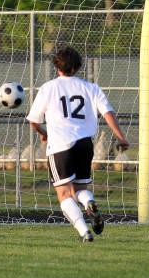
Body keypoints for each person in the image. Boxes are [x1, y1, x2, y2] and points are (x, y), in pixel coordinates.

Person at [27, 46, 129, 242]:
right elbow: (107, 112)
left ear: (57, 66)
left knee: (64, 194)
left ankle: (84, 231)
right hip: (85, 144)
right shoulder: (91, 88)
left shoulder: (49, 88)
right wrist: (120, 137)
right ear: (77, 67)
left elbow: (33, 120)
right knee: (80, 190)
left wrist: (43, 133)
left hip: (60, 145)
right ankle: (89, 201)